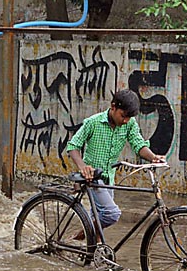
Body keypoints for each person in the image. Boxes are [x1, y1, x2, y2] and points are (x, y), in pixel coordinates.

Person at [66, 89, 166, 233]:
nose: (125, 121)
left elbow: (139, 145)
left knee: (99, 219)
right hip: (92, 178)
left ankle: (92, 251)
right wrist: (83, 167)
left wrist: (153, 157)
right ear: (113, 107)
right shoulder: (93, 122)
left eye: (129, 118)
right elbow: (73, 146)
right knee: (111, 214)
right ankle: (83, 235)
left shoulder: (129, 124)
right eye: (123, 116)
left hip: (109, 179)